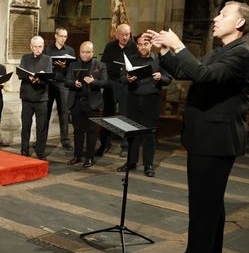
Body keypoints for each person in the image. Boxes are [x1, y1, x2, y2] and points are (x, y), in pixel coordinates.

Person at [145, 1, 249, 253]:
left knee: (203, 206)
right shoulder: (221, 51)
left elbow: (202, 75)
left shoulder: (241, 54)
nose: (215, 18)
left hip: (216, 139)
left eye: (224, 14)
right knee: (211, 205)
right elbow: (187, 72)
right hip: (209, 138)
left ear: (240, 23)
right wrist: (165, 51)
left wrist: (179, 45)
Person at [117, 34, 172, 177]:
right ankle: (131, 162)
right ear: (137, 45)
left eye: (145, 44)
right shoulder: (131, 59)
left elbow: (168, 79)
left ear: (151, 44)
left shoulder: (159, 60)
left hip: (151, 101)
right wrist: (127, 78)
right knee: (132, 132)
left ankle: (148, 165)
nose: (143, 47)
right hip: (133, 99)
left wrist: (161, 77)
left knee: (149, 134)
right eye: (140, 44)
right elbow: (121, 78)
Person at [65, 41, 107, 168]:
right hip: (76, 103)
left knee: (91, 132)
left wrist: (94, 82)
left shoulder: (100, 65)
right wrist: (74, 84)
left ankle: (89, 158)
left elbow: (104, 82)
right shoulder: (73, 65)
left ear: (92, 53)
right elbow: (67, 81)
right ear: (79, 52)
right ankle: (77, 156)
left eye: (88, 52)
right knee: (77, 131)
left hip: (92, 104)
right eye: (82, 52)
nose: (84, 54)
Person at [98, 23, 138, 156]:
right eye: (122, 35)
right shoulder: (110, 46)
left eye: (127, 34)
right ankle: (105, 144)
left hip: (126, 85)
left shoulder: (134, 47)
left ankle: (125, 145)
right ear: (117, 35)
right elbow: (104, 65)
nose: (125, 37)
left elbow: (137, 65)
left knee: (124, 115)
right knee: (107, 114)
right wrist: (116, 69)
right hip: (111, 83)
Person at [16, 36, 52, 159]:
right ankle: (24, 150)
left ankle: (40, 151)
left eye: (40, 46)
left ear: (43, 47)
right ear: (31, 47)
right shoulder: (25, 58)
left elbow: (49, 77)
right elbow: (20, 73)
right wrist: (29, 77)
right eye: (35, 47)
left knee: (41, 126)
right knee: (26, 125)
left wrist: (39, 79)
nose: (37, 49)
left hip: (41, 97)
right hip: (27, 96)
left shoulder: (47, 59)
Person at [44, 26, 75, 150]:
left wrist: (64, 66)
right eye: (61, 36)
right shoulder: (47, 50)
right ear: (56, 36)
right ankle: (42, 139)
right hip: (49, 83)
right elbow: (43, 66)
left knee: (64, 112)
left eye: (65, 36)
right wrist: (52, 65)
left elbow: (73, 69)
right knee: (45, 112)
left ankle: (65, 140)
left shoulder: (70, 50)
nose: (63, 39)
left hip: (63, 84)